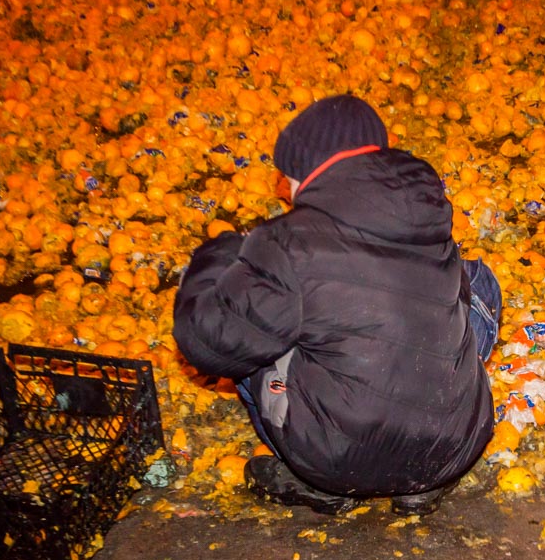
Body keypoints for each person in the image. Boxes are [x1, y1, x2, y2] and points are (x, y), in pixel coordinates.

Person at [172, 94, 501, 516]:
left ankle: (326, 487)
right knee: (473, 282)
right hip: (454, 446)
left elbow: (206, 342)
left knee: (249, 332)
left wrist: (217, 258)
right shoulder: (430, 213)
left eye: (287, 178)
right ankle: (420, 485)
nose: (285, 190)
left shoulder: (286, 242)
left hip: (340, 459)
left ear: (307, 172)